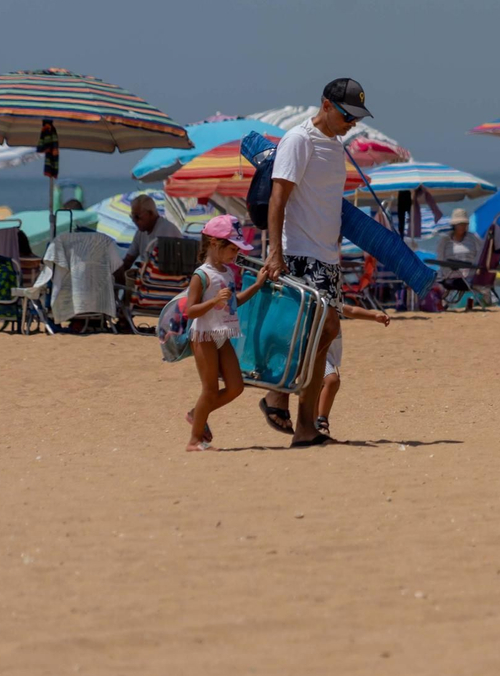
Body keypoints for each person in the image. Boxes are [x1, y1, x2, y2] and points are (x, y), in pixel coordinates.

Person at [260, 78, 377, 447]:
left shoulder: (334, 145)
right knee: (320, 333)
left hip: (327, 257)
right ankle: (298, 419)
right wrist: (275, 251)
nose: (352, 123)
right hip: (299, 254)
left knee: (319, 339)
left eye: (357, 117)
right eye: (347, 115)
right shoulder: (298, 140)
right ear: (326, 105)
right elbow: (278, 199)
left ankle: (284, 404)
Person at [182, 216, 267, 451]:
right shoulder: (201, 275)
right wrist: (213, 302)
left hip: (221, 334)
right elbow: (189, 311)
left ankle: (196, 413)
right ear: (214, 243)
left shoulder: (228, 272)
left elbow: (233, 303)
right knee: (209, 390)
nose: (236, 254)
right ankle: (194, 440)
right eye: (232, 248)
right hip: (203, 336)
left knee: (236, 387)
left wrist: (257, 286)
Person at [114, 195, 183, 283]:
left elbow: (161, 268)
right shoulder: (141, 232)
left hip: (165, 282)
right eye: (132, 217)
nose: (134, 221)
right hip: (149, 278)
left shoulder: (165, 230)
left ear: (151, 213)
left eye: (137, 217)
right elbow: (128, 260)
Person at [434, 208, 484, 305]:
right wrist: (447, 272)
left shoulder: (473, 238)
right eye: (460, 224)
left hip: (468, 276)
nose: (462, 226)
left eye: (464, 224)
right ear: (454, 225)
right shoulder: (445, 240)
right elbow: (440, 258)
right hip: (449, 275)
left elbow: (481, 256)